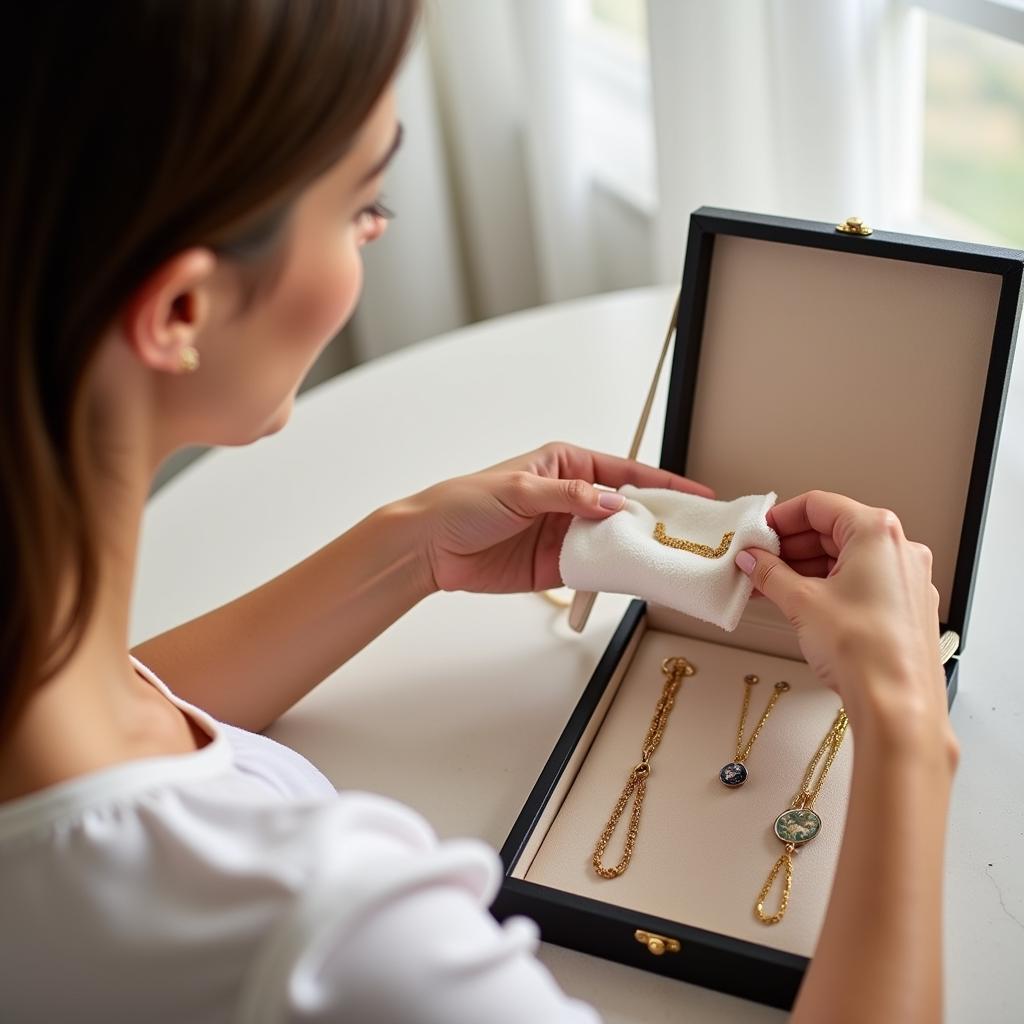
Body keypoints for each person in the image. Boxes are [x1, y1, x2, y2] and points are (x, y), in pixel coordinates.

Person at [0, 3, 958, 1022]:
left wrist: (413, 546)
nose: (373, 231)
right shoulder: (340, 941)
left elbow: (120, 736)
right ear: (182, 310)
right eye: (364, 204)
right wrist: (902, 723)